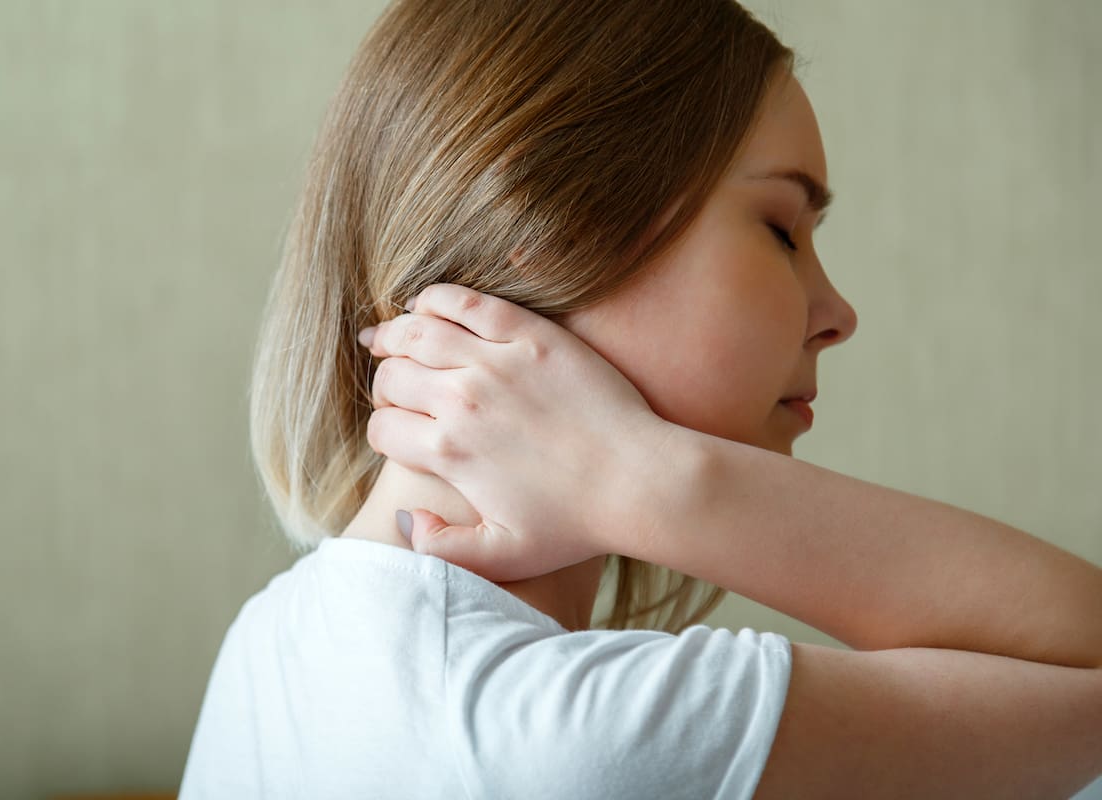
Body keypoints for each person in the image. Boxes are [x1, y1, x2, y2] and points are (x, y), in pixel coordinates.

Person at [180, 0, 1102, 797]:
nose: (837, 313)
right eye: (782, 229)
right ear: (544, 227)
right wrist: (655, 482)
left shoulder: (272, 643)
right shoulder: (586, 737)